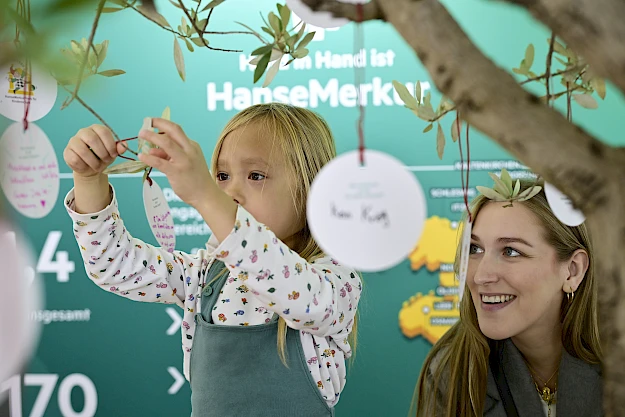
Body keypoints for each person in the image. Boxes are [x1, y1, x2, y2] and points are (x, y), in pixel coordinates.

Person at [63, 103, 362, 416]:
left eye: (256, 175)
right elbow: (114, 266)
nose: (230, 191)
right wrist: (88, 180)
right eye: (221, 175)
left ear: (311, 187)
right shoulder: (205, 273)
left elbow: (294, 290)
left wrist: (207, 195)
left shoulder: (333, 280)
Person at [415, 177, 602, 417]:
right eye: (475, 249)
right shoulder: (453, 372)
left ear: (572, 270)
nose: (481, 275)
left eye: (511, 251)